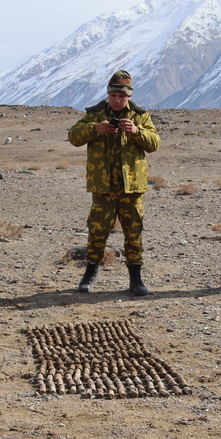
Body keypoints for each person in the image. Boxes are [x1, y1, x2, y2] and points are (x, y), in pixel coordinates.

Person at [67, 70, 161, 296]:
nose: (118, 100)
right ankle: (90, 273)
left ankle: (135, 278)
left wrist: (136, 131)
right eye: (114, 96)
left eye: (122, 96)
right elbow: (73, 136)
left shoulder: (140, 116)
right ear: (108, 95)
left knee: (133, 232)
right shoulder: (95, 114)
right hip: (104, 187)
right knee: (97, 231)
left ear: (129, 96)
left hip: (131, 187)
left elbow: (154, 143)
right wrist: (95, 129)